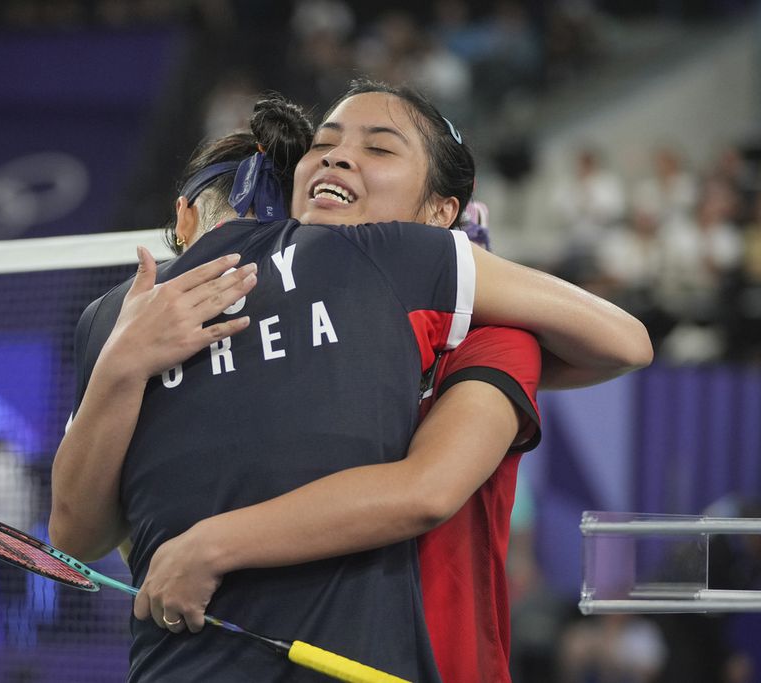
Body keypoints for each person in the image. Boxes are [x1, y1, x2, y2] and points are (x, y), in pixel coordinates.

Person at [50, 88, 651, 682]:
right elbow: (79, 533)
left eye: (381, 149)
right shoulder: (151, 322)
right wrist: (122, 363)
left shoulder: (485, 332)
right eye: (323, 145)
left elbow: (426, 488)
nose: (337, 157)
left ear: (443, 215)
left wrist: (209, 545)